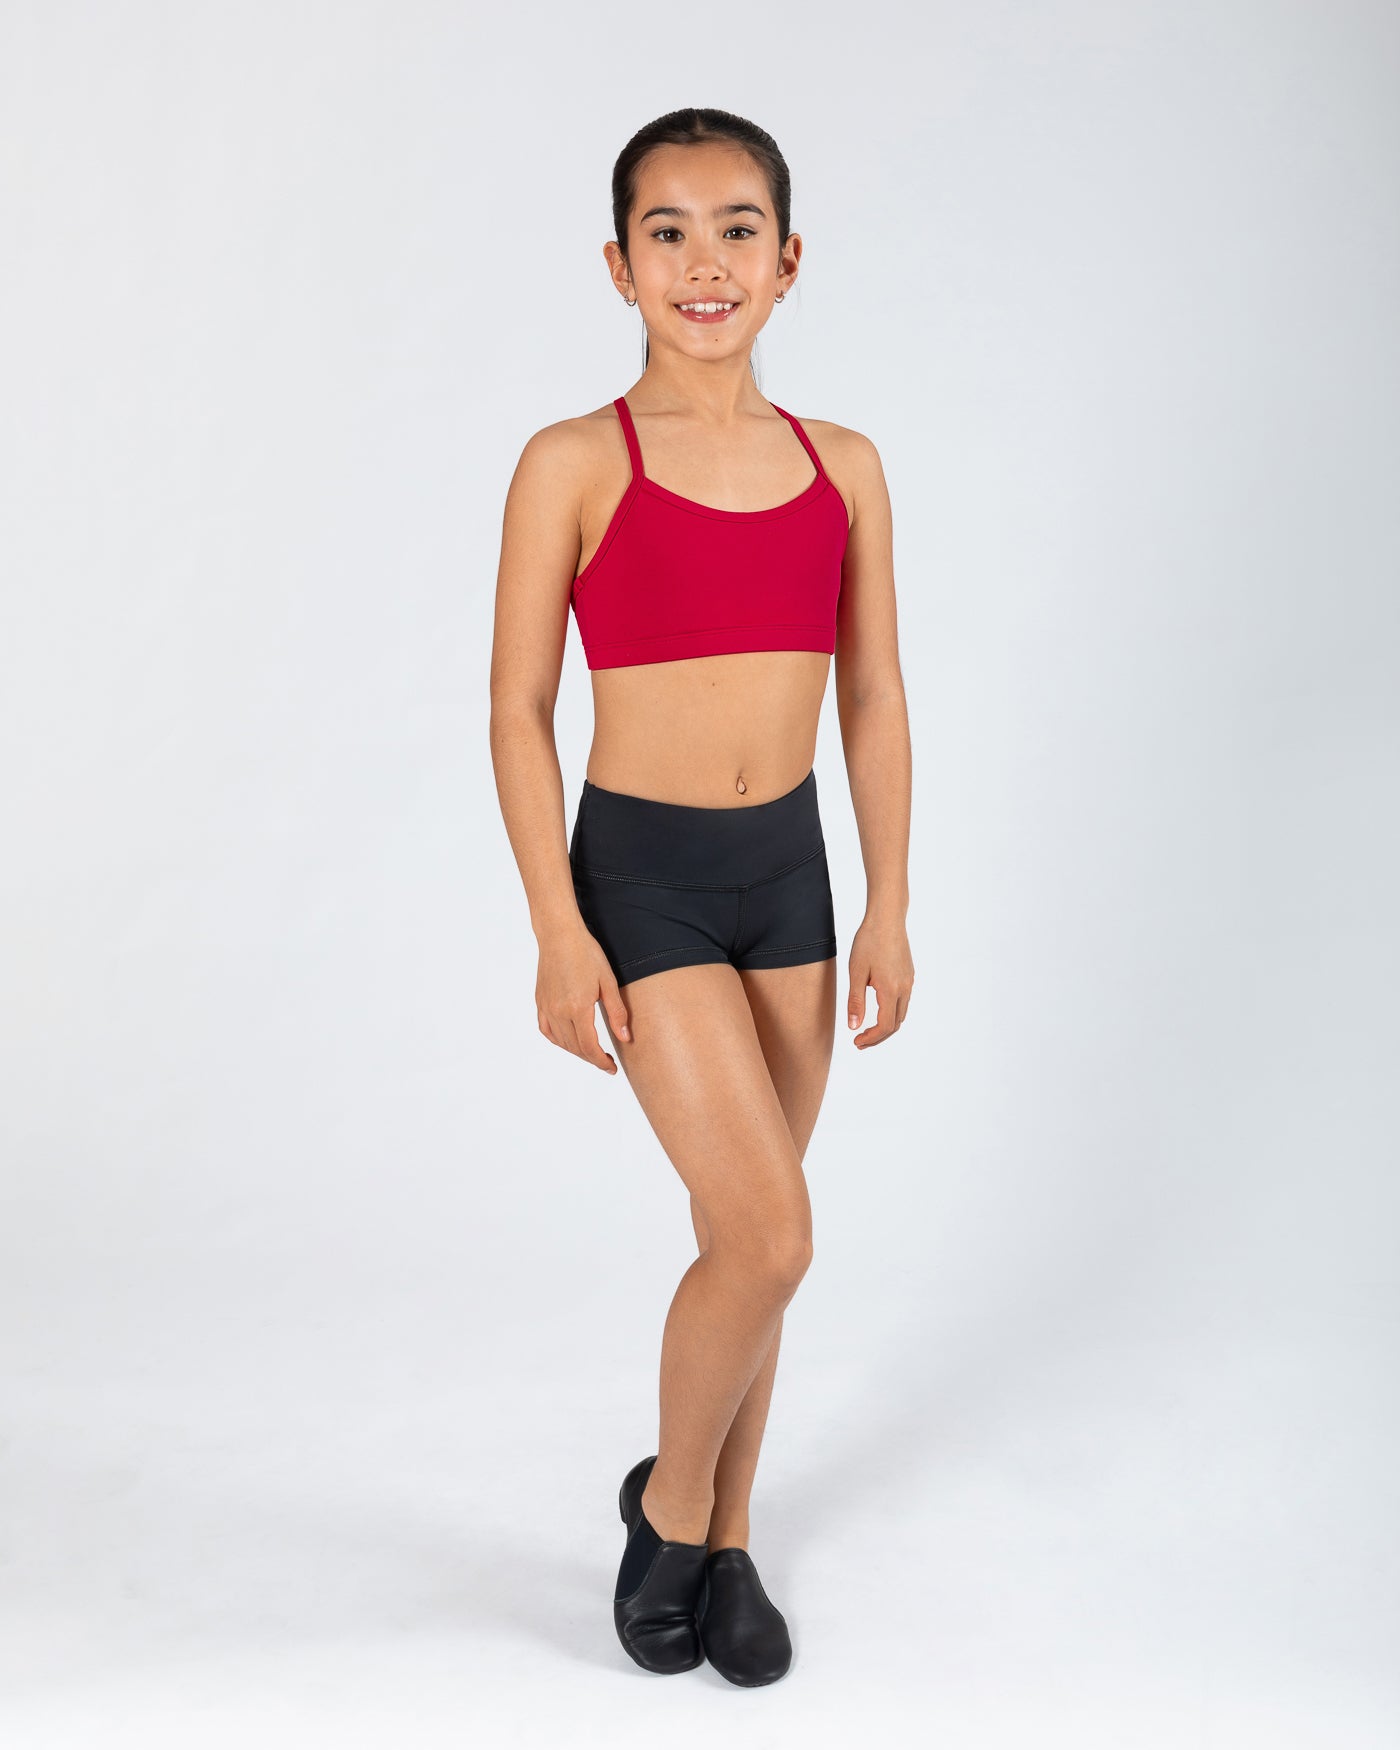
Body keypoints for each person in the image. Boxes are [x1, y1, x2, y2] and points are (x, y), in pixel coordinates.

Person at [489, 107, 914, 1686]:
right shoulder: (574, 462)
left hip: (788, 876)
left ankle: (728, 1540)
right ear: (620, 266)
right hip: (645, 879)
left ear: (788, 261)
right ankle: (669, 1506)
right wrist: (557, 925)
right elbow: (515, 708)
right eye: (666, 231)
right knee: (772, 1227)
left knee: (751, 1236)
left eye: (738, 227)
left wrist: (886, 903)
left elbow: (873, 696)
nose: (704, 260)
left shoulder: (842, 467)